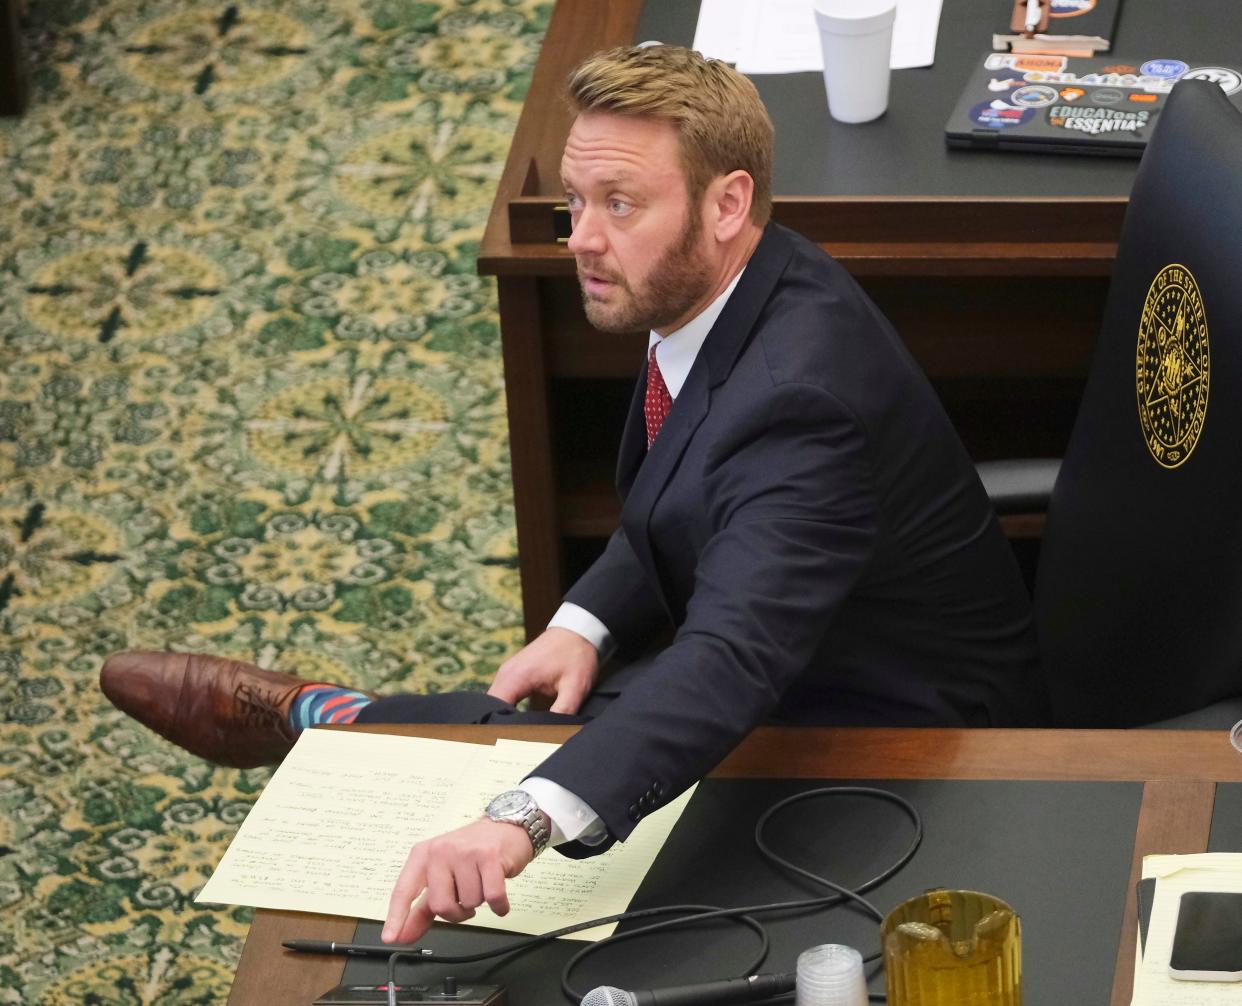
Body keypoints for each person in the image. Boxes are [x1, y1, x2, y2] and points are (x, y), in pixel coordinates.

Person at [100, 44, 1046, 948]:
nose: (581, 241)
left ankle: (327, 718)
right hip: (785, 640)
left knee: (528, 787)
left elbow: (731, 658)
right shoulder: (730, 285)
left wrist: (519, 824)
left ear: (728, 203)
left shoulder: (799, 401)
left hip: (906, 735)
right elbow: (689, 489)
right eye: (575, 201)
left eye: (621, 205)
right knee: (541, 738)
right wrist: (584, 622)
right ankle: (329, 718)